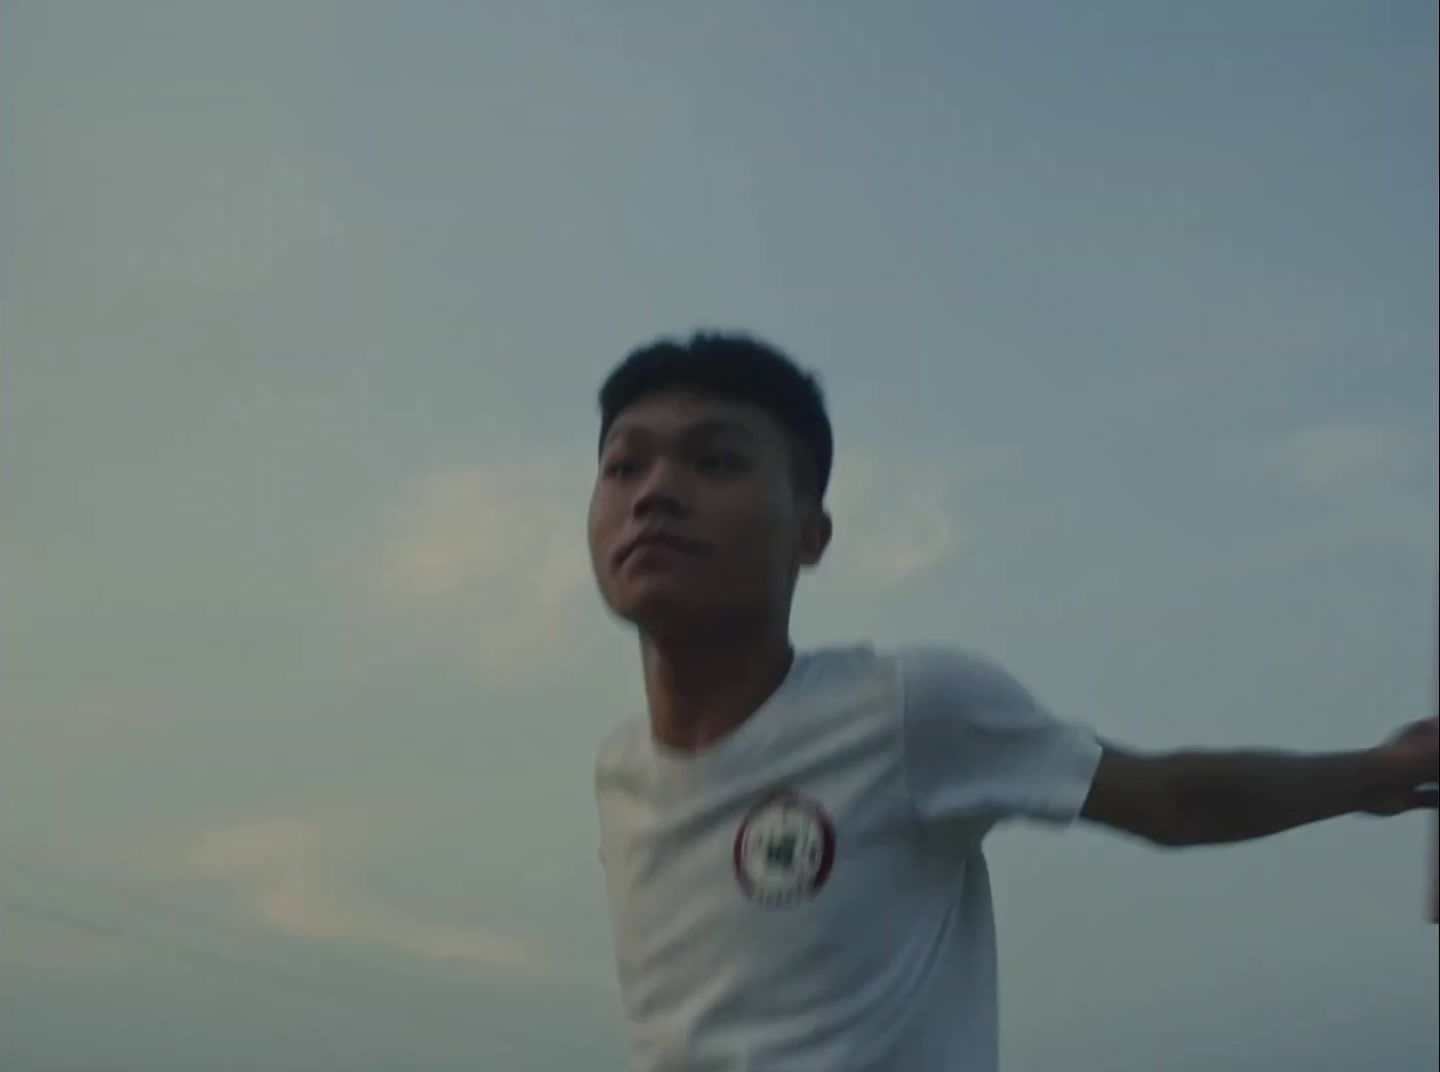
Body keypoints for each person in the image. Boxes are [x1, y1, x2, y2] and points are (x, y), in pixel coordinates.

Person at [585, 331, 1439, 1072]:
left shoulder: (905, 711)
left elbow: (1171, 800)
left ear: (810, 535)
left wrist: (1377, 773)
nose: (655, 491)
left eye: (717, 460)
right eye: (625, 464)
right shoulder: (620, 772)